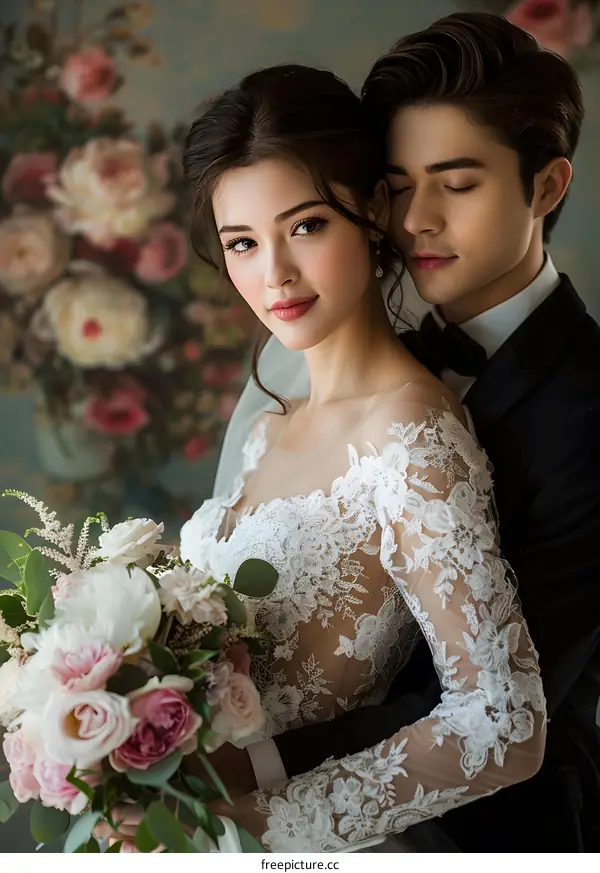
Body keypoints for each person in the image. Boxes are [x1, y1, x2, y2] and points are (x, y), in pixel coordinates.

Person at [212, 13, 600, 852]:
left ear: (545, 186)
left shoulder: (588, 408)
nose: (415, 218)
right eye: (396, 186)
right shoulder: (332, 373)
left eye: (456, 185)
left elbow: (480, 700)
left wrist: (229, 783)